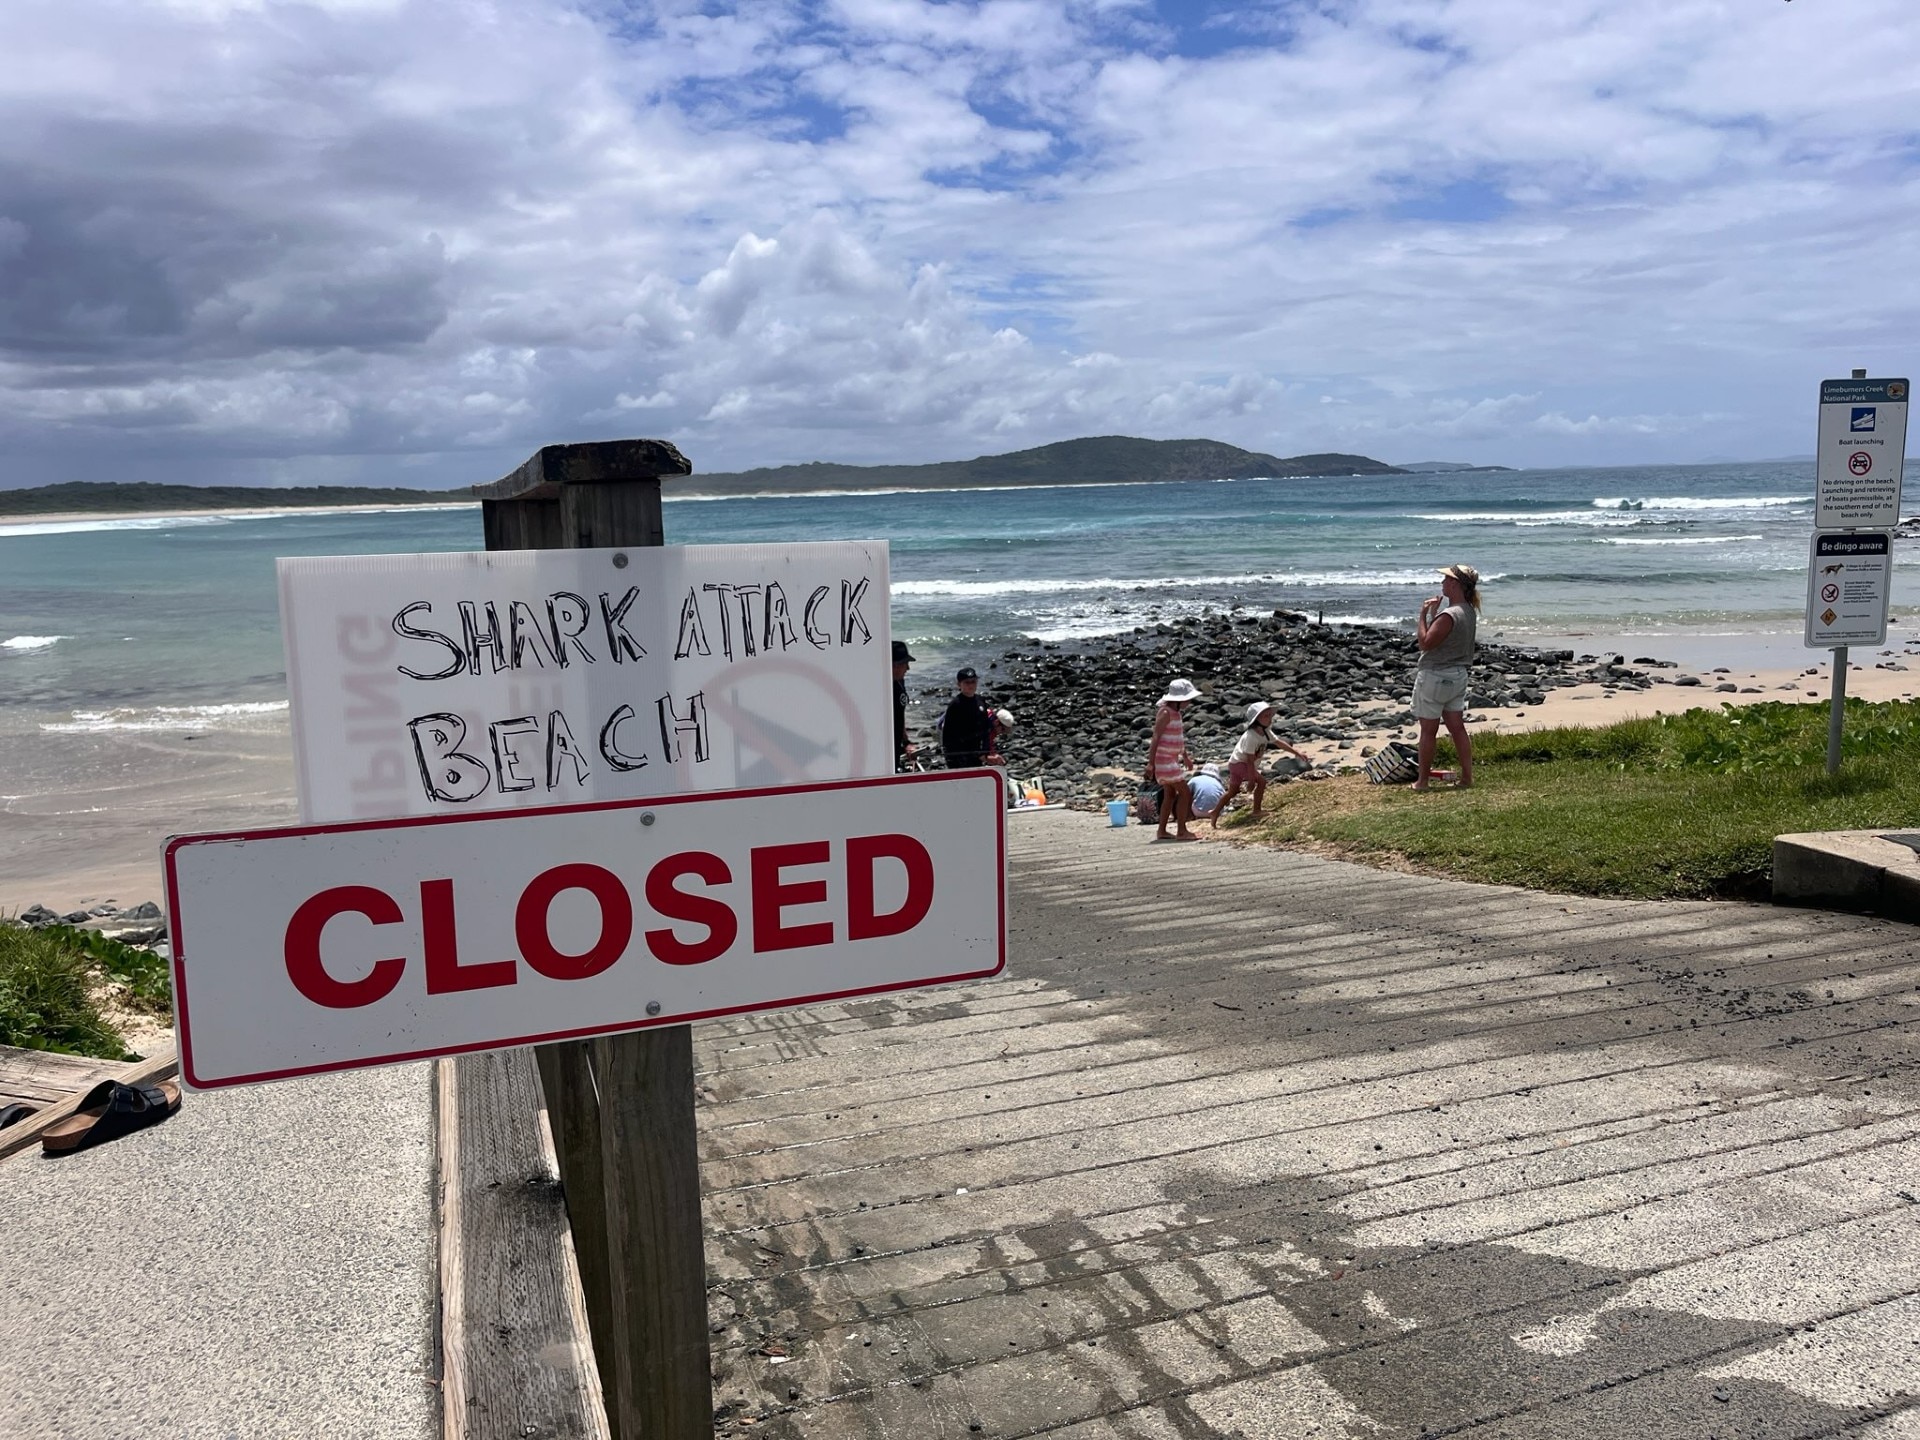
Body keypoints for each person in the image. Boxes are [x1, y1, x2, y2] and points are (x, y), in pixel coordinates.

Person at [1413, 563, 1480, 791]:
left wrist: (1422, 615)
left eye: (1446, 580)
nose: (1442, 583)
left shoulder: (1450, 614)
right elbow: (1446, 638)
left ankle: (1422, 781)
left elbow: (1425, 643)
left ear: (1454, 584)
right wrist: (1435, 616)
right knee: (1457, 727)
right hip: (1458, 674)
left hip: (1435, 675)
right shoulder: (1468, 611)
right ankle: (1467, 777)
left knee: (1428, 730)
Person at [1212, 700, 1311, 827]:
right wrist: (1251, 779)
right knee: (1262, 782)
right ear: (1256, 720)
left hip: (1235, 763)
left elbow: (1278, 742)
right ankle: (1256, 810)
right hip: (1241, 764)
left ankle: (1215, 812)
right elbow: (1249, 759)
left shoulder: (1265, 731)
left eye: (1270, 715)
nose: (1270, 718)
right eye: (1266, 716)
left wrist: (1296, 752)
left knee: (1233, 791)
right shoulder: (1251, 736)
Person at [1149, 677, 1199, 840]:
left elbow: (1178, 738)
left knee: (1170, 794)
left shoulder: (1176, 713)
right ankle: (1182, 830)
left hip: (1171, 759)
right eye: (1187, 699)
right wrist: (1150, 763)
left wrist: (1185, 757)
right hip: (1164, 760)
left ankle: (1162, 830)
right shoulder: (1165, 712)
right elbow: (1156, 737)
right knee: (1185, 793)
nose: (1189, 703)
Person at [941, 666, 994, 769]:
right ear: (959, 684)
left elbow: (985, 727)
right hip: (960, 753)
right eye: (967, 682)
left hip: (977, 751)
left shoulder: (980, 700)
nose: (971, 685)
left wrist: (986, 751)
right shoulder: (956, 705)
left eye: (973, 682)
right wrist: (951, 757)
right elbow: (948, 734)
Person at [892, 639, 916, 768]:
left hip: (897, 742)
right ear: (894, 665)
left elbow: (900, 714)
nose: (908, 668)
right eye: (905, 664)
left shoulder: (900, 682)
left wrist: (906, 742)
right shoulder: (881, 688)